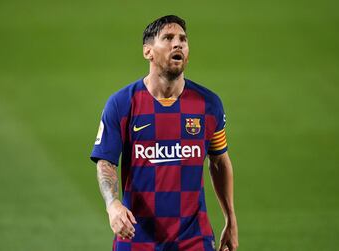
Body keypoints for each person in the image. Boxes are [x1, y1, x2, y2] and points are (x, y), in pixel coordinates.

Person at [90, 15, 238, 251]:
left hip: (193, 239)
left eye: (183, 39)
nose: (177, 44)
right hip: (136, 237)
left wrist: (231, 219)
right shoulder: (123, 104)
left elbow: (219, 161)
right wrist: (112, 204)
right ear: (148, 51)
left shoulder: (208, 105)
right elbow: (106, 162)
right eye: (168, 38)